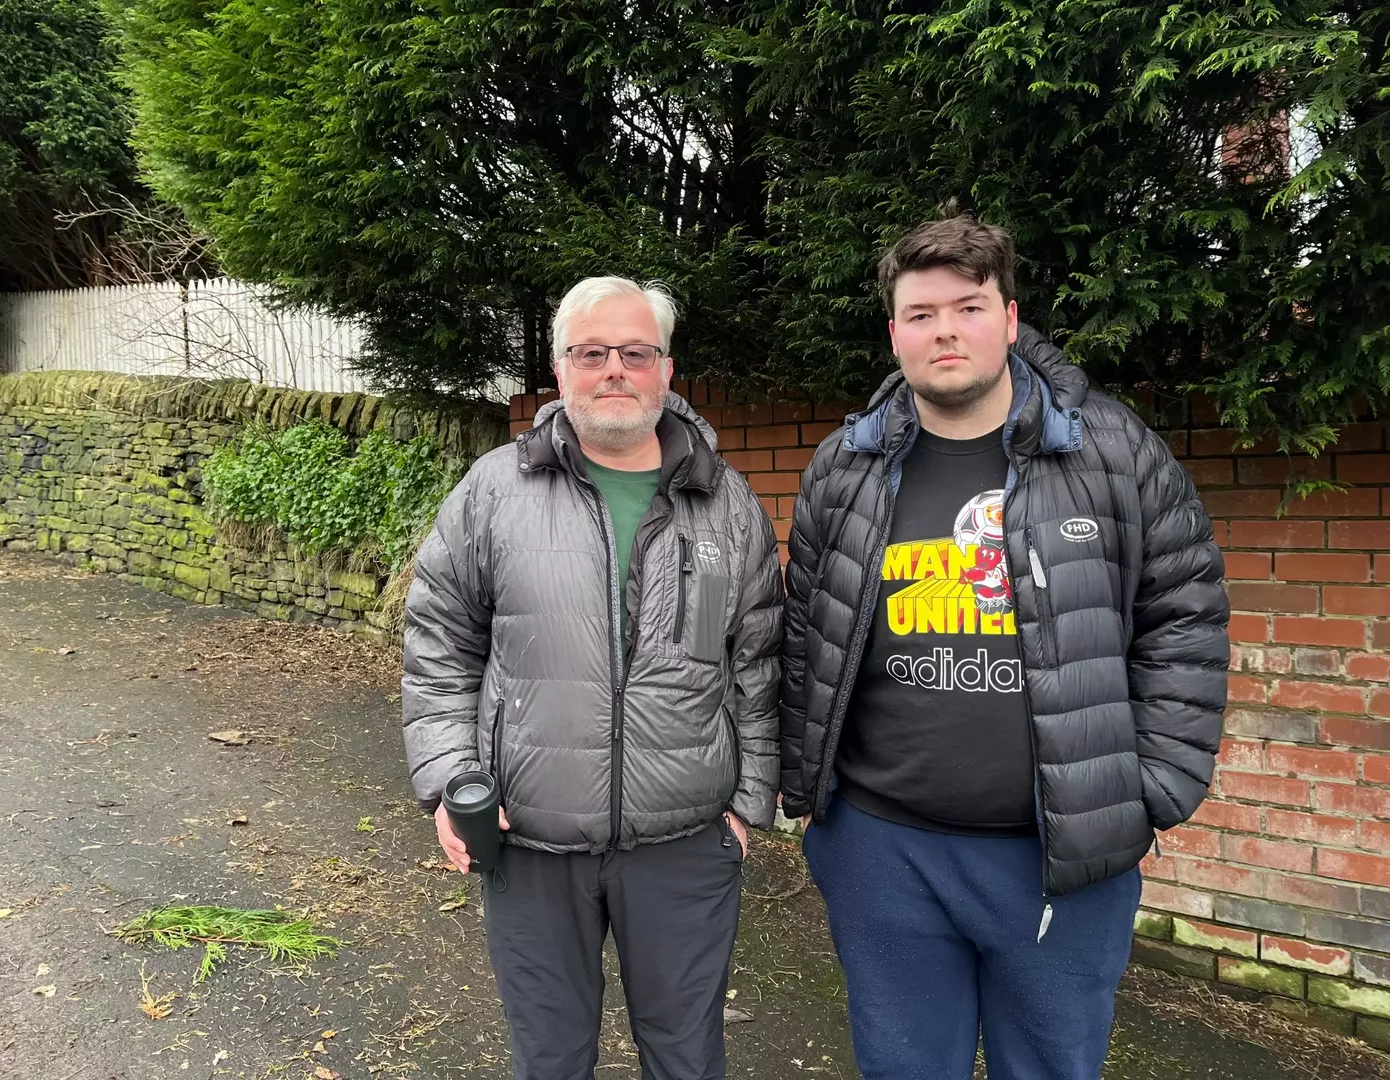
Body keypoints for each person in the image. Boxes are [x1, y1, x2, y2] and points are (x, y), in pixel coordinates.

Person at [778, 211, 1229, 1080]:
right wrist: (811, 795)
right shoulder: (845, 466)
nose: (945, 329)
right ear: (895, 332)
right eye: (920, 313)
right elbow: (806, 633)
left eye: (968, 306)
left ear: (1011, 319)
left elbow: (1186, 616)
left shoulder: (1110, 450)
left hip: (1057, 860)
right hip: (882, 851)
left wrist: (1152, 791)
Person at [401, 276, 784, 1080]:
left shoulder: (727, 502)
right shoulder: (494, 491)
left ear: (666, 369)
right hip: (529, 843)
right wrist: (449, 780)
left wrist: (748, 807)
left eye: (635, 353)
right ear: (560, 367)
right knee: (551, 1060)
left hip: (685, 847)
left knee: (686, 1059)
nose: (615, 368)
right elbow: (438, 642)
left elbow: (757, 660)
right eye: (591, 352)